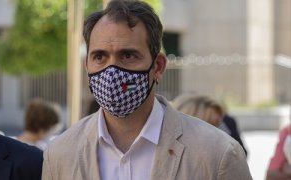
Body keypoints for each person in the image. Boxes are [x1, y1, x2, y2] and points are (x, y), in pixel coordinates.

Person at [42, 1, 252, 180]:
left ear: (158, 67)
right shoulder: (60, 154)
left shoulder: (218, 154)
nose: (112, 71)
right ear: (87, 66)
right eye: (99, 57)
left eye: (128, 55)